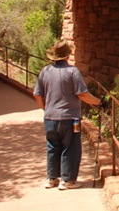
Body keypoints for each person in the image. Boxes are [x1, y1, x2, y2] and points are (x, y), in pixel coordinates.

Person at [33, 39, 101, 190]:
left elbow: (37, 94)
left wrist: (46, 109)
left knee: (52, 146)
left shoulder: (45, 71)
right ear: (67, 55)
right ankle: (68, 180)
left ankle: (52, 178)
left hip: (50, 118)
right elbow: (82, 94)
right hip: (70, 118)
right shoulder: (72, 71)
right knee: (71, 147)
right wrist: (98, 102)